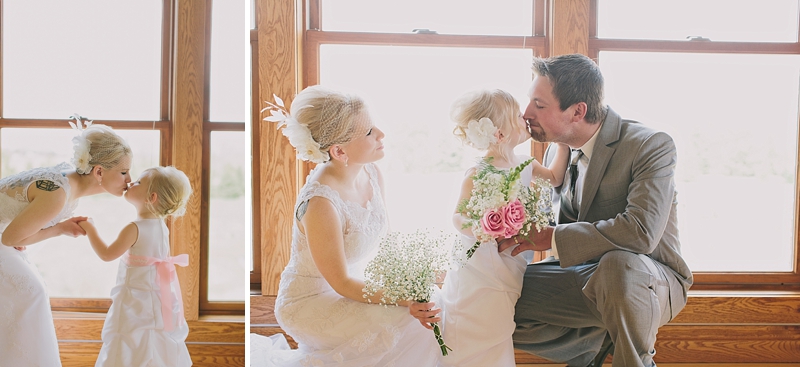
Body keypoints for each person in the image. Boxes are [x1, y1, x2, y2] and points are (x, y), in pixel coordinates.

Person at [496, 54, 693, 367]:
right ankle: (593, 345)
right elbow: (544, 227)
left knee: (618, 265)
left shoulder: (650, 145)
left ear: (577, 111)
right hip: (579, 279)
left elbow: (640, 232)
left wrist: (551, 237)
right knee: (490, 295)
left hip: (647, 281)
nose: (526, 113)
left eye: (539, 104)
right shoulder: (555, 151)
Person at [250, 85, 440, 366]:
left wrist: (411, 284)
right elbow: (341, 282)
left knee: (432, 302)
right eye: (368, 132)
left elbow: (387, 244)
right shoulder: (321, 203)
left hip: (351, 288)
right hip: (310, 302)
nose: (381, 134)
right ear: (339, 151)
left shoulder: (371, 172)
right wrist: (404, 300)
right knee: (405, 319)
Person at [440, 89, 570, 366]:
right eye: (515, 116)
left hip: (510, 260)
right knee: (476, 320)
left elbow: (555, 177)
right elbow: (458, 216)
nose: (524, 117)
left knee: (498, 323)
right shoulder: (480, 172)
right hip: (479, 262)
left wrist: (562, 142)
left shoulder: (524, 163)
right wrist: (481, 230)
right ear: (498, 134)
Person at [0, 121, 132, 367]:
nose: (129, 179)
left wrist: (48, 229)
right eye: (124, 172)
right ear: (99, 172)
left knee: (31, 294)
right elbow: (9, 239)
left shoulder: (66, 178)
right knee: (32, 293)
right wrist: (59, 229)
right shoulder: (58, 194)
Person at [78, 166, 193, 367]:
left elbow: (107, 254)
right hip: (156, 299)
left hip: (135, 301)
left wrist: (90, 229)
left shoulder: (134, 228)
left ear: (151, 197)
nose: (131, 182)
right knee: (154, 339)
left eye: (139, 182)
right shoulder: (160, 226)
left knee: (130, 339)